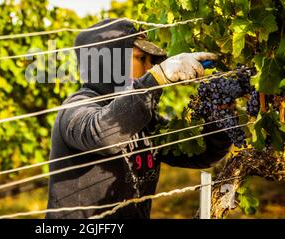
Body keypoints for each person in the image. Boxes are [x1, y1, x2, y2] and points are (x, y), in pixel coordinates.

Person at [46, 18, 232, 219]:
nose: (149, 68)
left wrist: (220, 116)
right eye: (141, 58)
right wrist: (155, 80)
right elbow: (104, 134)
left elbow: (200, 153)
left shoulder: (146, 120)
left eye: (151, 62)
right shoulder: (76, 107)